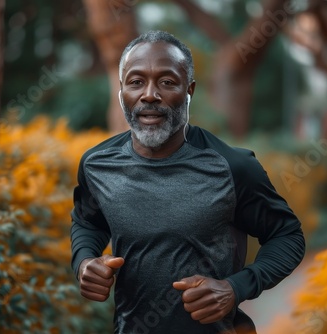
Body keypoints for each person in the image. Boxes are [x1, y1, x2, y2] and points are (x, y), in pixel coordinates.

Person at [71, 30, 305, 334]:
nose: (150, 95)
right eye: (136, 82)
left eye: (167, 82)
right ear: (121, 91)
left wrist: (235, 288)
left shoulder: (233, 167)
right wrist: (84, 261)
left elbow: (287, 235)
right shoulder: (97, 164)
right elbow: (88, 222)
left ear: (189, 89)